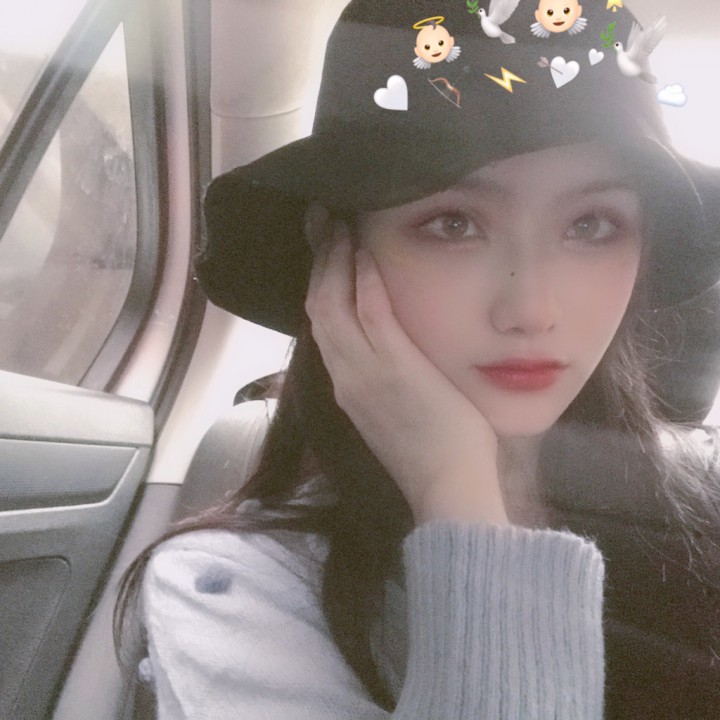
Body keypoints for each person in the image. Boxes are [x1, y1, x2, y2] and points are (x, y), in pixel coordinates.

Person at [115, 1, 720, 718]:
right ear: (335, 251)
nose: (531, 309)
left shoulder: (699, 516)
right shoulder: (237, 592)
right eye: (453, 224)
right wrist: (453, 486)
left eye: (592, 225)